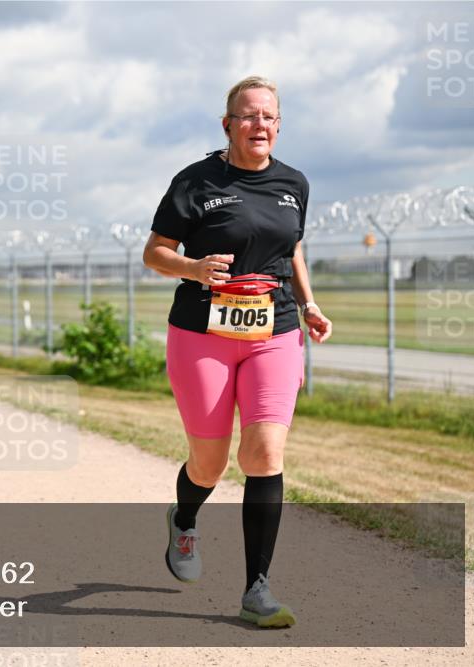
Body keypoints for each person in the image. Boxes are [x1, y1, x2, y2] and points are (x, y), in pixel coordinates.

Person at [143, 76, 332, 629]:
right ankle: (184, 517)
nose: (260, 125)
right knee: (211, 461)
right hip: (203, 333)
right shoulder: (195, 181)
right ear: (227, 125)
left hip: (274, 328)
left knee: (266, 453)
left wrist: (309, 302)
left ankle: (257, 590)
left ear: (279, 125)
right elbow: (155, 253)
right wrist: (194, 268)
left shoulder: (294, 183)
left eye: (270, 116)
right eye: (249, 116)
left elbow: (292, 247)